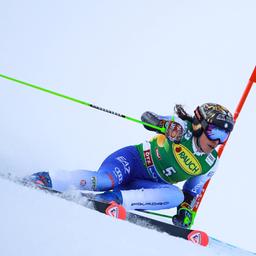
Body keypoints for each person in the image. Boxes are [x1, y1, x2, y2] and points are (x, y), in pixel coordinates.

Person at [25, 103, 234, 229]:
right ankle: (50, 178)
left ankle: (113, 199)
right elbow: (147, 118)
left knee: (176, 196)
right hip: (132, 161)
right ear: (200, 125)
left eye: (224, 136)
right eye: (215, 132)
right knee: (106, 180)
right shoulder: (182, 127)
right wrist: (163, 126)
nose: (217, 141)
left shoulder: (210, 163)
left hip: (146, 186)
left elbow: (190, 193)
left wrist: (185, 212)